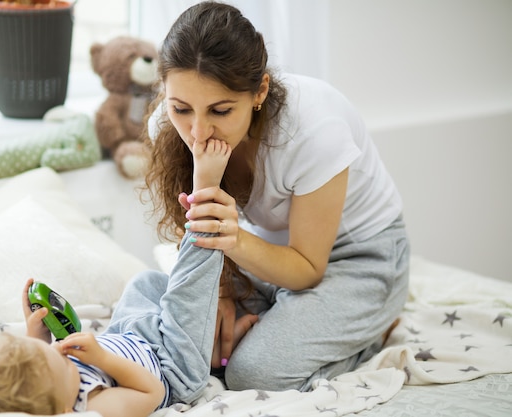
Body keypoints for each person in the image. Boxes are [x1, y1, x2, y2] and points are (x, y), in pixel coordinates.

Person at [143, 1, 410, 393]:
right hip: (262, 253)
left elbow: (307, 267)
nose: (198, 132)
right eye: (181, 108)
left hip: (358, 260)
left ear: (259, 91)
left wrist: (231, 241)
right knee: (177, 327)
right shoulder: (169, 128)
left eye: (220, 110)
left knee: (251, 373)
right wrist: (219, 290)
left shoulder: (314, 132)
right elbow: (206, 238)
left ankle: (371, 329)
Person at [0, 139, 233, 416]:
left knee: (143, 283)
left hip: (130, 337)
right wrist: (102, 358)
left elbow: (47, 363)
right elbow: (153, 392)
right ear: (65, 410)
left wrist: (36, 338)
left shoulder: (54, 380)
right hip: (172, 367)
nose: (59, 352)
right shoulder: (96, 405)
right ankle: (207, 196)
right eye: (63, 363)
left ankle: (206, 327)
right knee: (188, 288)